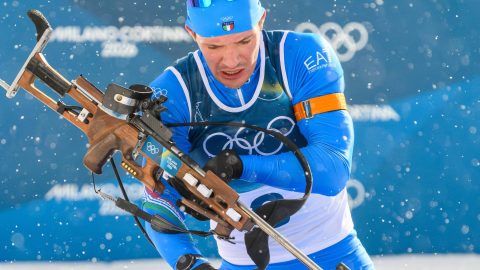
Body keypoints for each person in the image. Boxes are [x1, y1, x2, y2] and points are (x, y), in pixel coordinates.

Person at [142, 0, 374, 269]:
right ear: (192, 34)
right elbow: (158, 200)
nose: (231, 61)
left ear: (262, 21)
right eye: (213, 46)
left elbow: (333, 168)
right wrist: (190, 264)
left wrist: (239, 166)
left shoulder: (298, 55)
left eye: (244, 41)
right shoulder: (173, 92)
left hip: (334, 253)